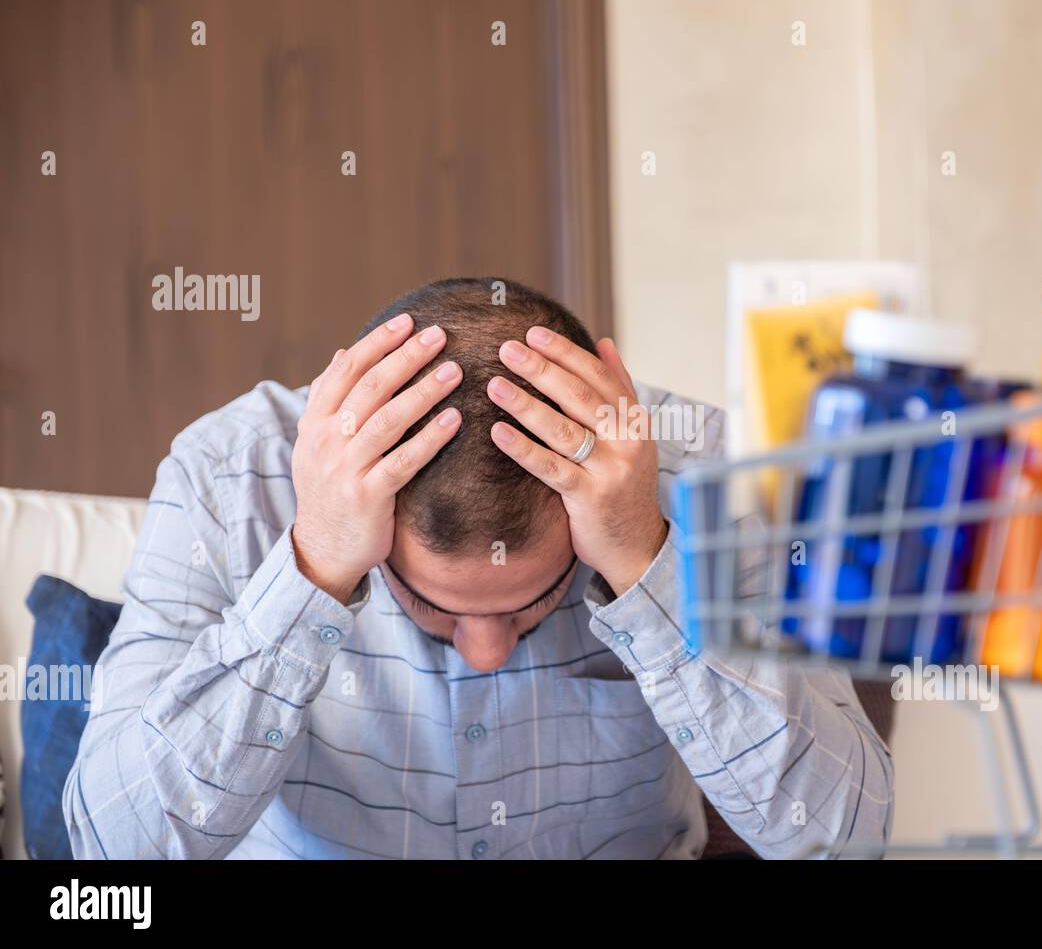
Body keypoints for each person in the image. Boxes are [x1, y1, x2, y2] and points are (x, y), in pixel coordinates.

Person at [64, 278, 893, 859]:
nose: (489, 651)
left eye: (535, 604)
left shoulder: (705, 477)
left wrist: (647, 564)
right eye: (434, 607)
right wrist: (312, 570)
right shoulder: (225, 475)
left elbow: (842, 839)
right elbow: (110, 849)